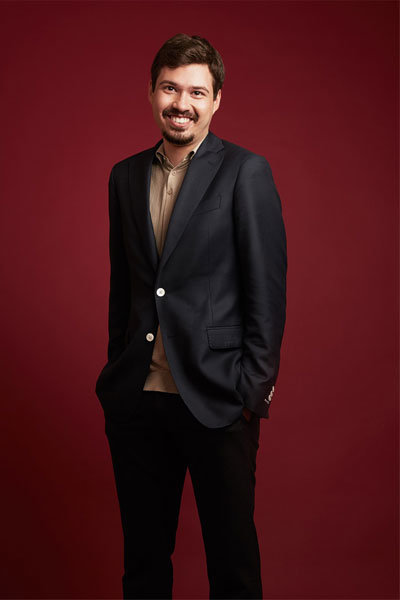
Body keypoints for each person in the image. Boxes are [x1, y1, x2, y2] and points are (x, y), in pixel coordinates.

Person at [95, 33, 287, 600]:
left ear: (217, 99)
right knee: (144, 567)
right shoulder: (125, 176)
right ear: (152, 93)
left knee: (233, 568)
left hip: (218, 398)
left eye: (197, 92)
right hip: (139, 399)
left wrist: (253, 392)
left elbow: (267, 290)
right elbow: (126, 287)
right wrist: (117, 373)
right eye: (170, 88)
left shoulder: (246, 172)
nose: (182, 103)